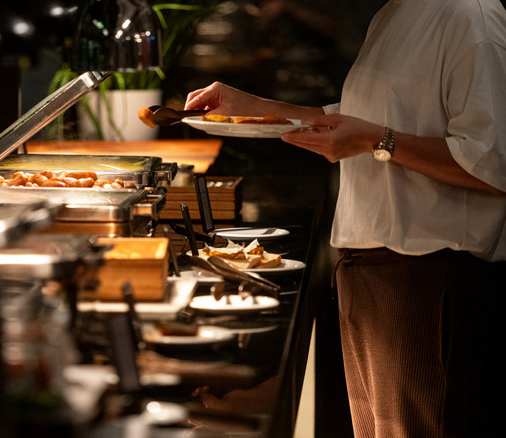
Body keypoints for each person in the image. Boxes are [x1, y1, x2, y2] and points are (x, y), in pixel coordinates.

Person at [184, 1, 506, 437]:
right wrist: (249, 105)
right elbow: (357, 119)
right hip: (370, 271)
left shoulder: (471, 15)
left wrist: (379, 140)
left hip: (428, 276)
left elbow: (493, 163)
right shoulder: (394, 12)